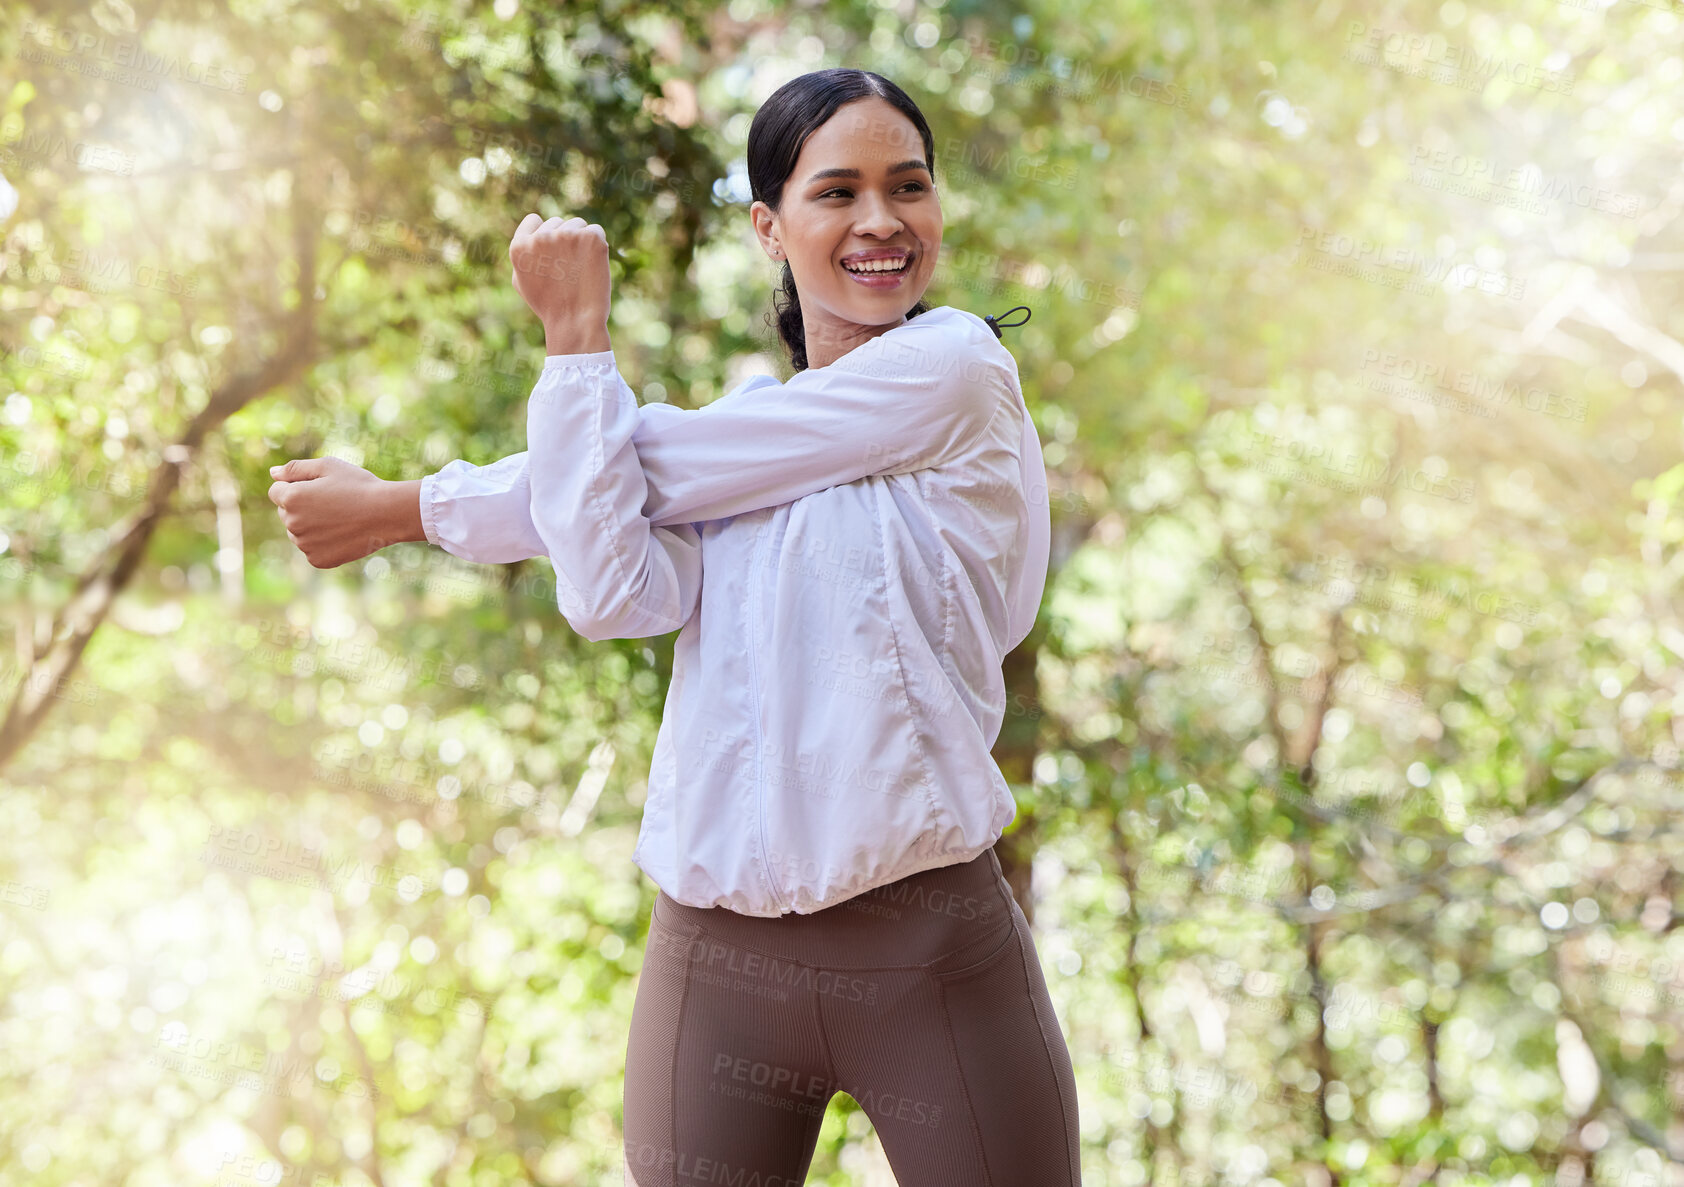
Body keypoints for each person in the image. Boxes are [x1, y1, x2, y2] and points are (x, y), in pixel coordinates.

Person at [268, 67, 1079, 1187]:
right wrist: (575, 336)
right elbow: (612, 592)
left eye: (910, 186)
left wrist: (403, 505)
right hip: (714, 964)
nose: (882, 220)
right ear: (769, 225)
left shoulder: (957, 373)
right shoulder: (748, 433)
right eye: (837, 191)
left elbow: (649, 465)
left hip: (930, 948)